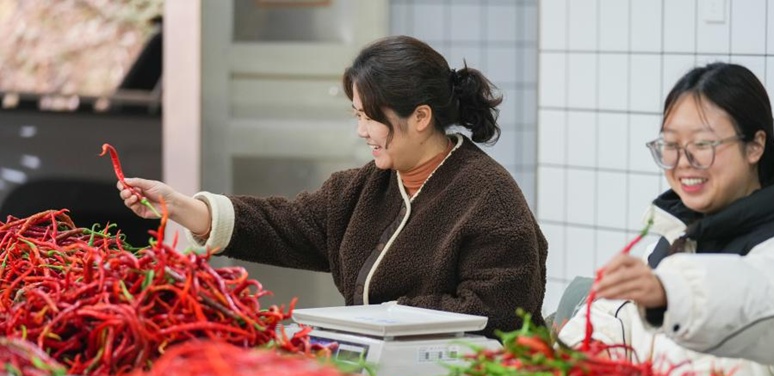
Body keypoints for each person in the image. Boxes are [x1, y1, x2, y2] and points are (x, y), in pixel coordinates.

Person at [117, 35, 548, 337]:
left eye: (369, 117)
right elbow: (285, 223)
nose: (361, 131)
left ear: (420, 117)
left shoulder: (489, 197)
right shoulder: (364, 189)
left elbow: (500, 314)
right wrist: (181, 207)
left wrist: (376, 325)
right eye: (356, 115)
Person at [558, 62, 774, 376]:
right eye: (671, 145)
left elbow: (764, 298)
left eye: (703, 145)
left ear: (755, 146)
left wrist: (669, 292)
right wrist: (565, 358)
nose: (684, 163)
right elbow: (618, 318)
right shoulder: (680, 235)